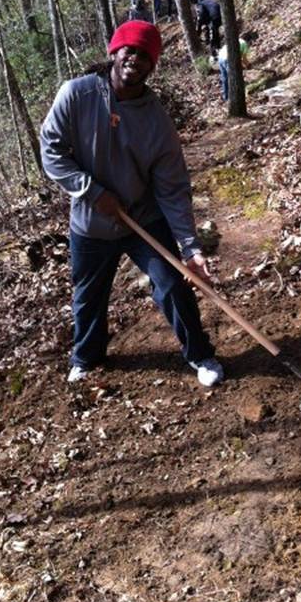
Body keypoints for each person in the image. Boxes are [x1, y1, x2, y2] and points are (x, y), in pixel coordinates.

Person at [40, 20, 224, 388]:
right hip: (89, 224)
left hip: (142, 218)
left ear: (152, 65)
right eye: (130, 50)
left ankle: (200, 355)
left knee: (171, 283)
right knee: (88, 296)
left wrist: (190, 247)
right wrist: (91, 191)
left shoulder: (157, 121)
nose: (135, 59)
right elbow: (51, 150)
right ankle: (85, 358)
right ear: (114, 51)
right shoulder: (76, 95)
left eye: (144, 55)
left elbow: (173, 189)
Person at [217, 37, 250, 101]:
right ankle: (236, 97)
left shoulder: (235, 39)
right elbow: (244, 59)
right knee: (234, 78)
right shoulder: (244, 44)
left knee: (225, 78)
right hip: (227, 58)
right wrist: (248, 65)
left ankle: (226, 97)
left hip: (220, 57)